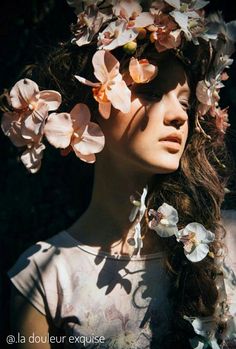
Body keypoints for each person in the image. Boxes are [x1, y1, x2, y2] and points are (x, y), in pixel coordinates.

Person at [2, 1, 236, 348]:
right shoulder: (45, 277)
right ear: (91, 101)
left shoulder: (229, 241)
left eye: (185, 103)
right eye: (151, 91)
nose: (178, 116)